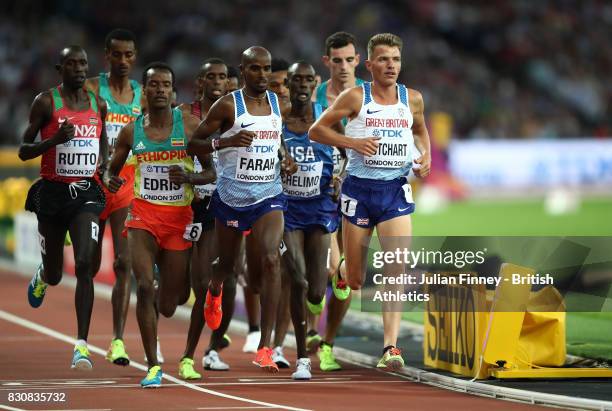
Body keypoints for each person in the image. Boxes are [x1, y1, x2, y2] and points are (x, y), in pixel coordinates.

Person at [309, 33, 432, 370]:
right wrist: (353, 142)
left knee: (396, 269)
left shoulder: (413, 99)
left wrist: (426, 157)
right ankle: (340, 275)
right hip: (359, 193)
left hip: (394, 191)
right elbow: (317, 131)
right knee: (356, 279)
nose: (390, 65)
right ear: (370, 64)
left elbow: (420, 129)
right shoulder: (355, 98)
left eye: (395, 59)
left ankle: (390, 347)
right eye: (383, 59)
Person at [106, 62, 215, 387]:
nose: (160, 90)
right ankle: (153, 365)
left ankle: (158, 294)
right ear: (146, 90)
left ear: (172, 90)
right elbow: (111, 170)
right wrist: (111, 180)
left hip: (179, 220)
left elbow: (211, 173)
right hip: (142, 217)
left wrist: (191, 177)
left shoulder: (192, 126)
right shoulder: (132, 131)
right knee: (143, 284)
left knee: (171, 303)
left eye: (165, 85)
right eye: (153, 85)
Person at [188, 46, 296, 373]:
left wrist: (284, 157)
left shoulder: (279, 104)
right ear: (243, 70)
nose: (262, 75)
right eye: (255, 69)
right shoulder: (227, 106)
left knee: (272, 259)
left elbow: (274, 139)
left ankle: (266, 346)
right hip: (232, 196)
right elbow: (193, 144)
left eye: (266, 69)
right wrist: (227, 142)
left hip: (269, 194)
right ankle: (215, 289)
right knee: (228, 265)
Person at [20, 46, 109, 370]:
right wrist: (53, 141)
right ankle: (43, 274)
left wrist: (107, 170)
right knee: (57, 273)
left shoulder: (97, 104)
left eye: (83, 63)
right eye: (72, 64)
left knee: (85, 264)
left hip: (86, 192)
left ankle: (81, 345)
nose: (79, 68)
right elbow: (23, 151)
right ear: (60, 68)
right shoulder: (46, 102)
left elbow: (104, 144)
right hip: (52, 193)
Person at [281, 61, 343, 380]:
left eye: (308, 80)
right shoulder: (278, 120)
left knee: (317, 291)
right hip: (287, 209)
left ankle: (311, 319)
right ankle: (303, 357)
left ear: (315, 83)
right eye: (297, 80)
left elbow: (346, 154)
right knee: (299, 279)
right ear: (288, 84)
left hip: (320, 209)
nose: (303, 85)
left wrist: (340, 179)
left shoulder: (327, 115)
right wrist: (279, 167)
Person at [308, 31, 365, 371]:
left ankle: (327, 343)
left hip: (358, 195)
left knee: (347, 277)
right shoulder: (314, 97)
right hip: (318, 197)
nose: (344, 66)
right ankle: (311, 324)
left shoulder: (369, 97)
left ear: (358, 60)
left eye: (349, 59)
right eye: (337, 60)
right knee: (330, 269)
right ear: (326, 62)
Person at [84, 28, 141, 367]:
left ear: (134, 57)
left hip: (125, 184)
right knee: (87, 265)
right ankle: (46, 270)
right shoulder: (92, 88)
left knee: (124, 263)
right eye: (116, 54)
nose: (122, 61)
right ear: (107, 55)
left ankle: (117, 340)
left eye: (128, 55)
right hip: (91, 183)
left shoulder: (143, 95)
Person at [176, 58, 234, 379]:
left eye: (222, 77)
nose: (217, 81)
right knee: (174, 299)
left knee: (202, 286)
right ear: (199, 82)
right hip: (183, 205)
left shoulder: (235, 115)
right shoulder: (183, 115)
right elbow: (183, 146)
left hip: (217, 204)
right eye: (210, 76)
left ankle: (188, 357)